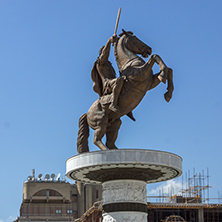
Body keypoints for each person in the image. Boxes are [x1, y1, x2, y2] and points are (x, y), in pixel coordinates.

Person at [92, 34, 124, 113]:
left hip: (112, 82)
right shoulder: (100, 62)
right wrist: (109, 42)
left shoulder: (108, 64)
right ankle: (113, 104)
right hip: (107, 84)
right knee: (119, 80)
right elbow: (105, 54)